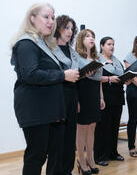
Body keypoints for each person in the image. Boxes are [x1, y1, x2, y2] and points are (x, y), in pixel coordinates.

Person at [10, 3, 79, 175]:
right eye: (46, 17)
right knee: (37, 156)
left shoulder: (44, 43)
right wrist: (63, 75)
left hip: (50, 109)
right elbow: (30, 74)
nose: (51, 21)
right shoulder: (27, 43)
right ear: (32, 18)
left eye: (53, 17)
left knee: (55, 153)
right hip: (36, 109)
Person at [75, 29, 105, 174]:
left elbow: (98, 81)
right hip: (82, 94)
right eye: (87, 36)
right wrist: (76, 101)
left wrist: (101, 97)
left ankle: (91, 159)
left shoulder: (97, 59)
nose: (91, 38)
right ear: (81, 39)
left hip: (94, 94)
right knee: (81, 129)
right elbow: (73, 82)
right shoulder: (76, 58)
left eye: (93, 36)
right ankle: (81, 160)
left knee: (92, 127)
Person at [53, 15, 79, 175]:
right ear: (58, 28)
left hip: (71, 96)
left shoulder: (72, 52)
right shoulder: (50, 50)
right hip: (57, 97)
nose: (69, 31)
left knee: (70, 139)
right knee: (57, 139)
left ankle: (67, 171)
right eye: (66, 28)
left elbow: (75, 78)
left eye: (71, 28)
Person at [94, 37, 125, 166]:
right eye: (109, 44)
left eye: (113, 44)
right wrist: (109, 79)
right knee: (102, 128)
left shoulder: (116, 61)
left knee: (114, 126)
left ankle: (113, 152)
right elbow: (94, 78)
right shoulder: (97, 60)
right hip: (105, 97)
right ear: (101, 46)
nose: (112, 46)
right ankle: (100, 155)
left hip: (117, 96)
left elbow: (121, 75)